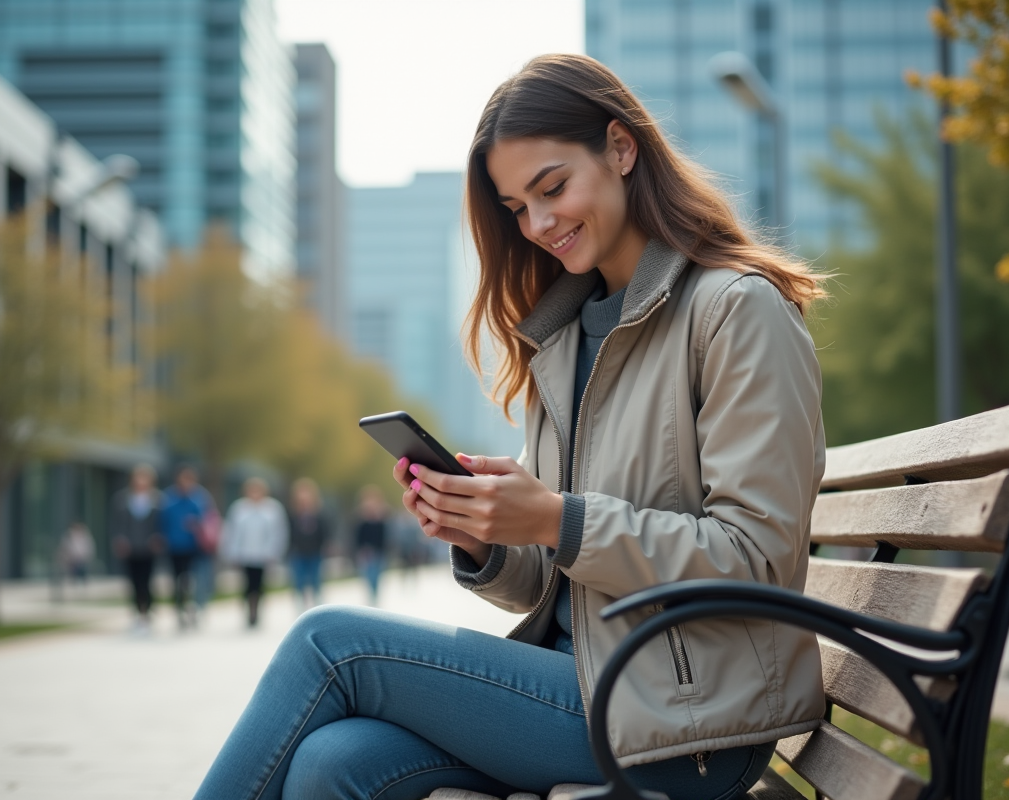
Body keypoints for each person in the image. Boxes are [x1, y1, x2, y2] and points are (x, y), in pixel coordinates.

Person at [195, 54, 827, 800]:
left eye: (552, 187)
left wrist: (559, 520)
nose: (538, 223)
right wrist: (484, 536)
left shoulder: (734, 310)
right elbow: (558, 579)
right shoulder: (565, 340)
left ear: (622, 149)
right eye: (517, 207)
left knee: (327, 644)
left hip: (687, 725)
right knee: (332, 763)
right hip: (583, 685)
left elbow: (756, 557)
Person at [219, 477, 289, 628]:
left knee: (259, 584)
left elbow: (278, 532)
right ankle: (248, 610)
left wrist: (275, 552)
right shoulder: (239, 508)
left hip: (264, 555)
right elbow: (232, 532)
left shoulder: (273, 509)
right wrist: (231, 552)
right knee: (247, 584)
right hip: (245, 554)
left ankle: (256, 610)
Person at [111, 463, 164, 633]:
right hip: (130, 547)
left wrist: (158, 539)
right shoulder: (122, 499)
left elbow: (162, 524)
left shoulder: (157, 500)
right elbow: (116, 524)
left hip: (149, 548)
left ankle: (147, 611)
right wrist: (119, 540)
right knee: (133, 581)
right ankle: (136, 611)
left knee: (147, 580)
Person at [161, 465, 215, 630]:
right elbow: (163, 521)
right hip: (175, 547)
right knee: (178, 581)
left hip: (195, 547)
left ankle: (197, 609)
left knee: (196, 580)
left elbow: (208, 519)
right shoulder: (169, 498)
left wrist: (196, 525)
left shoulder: (200, 497)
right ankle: (180, 609)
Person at [287, 477, 330, 610]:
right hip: (298, 552)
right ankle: (301, 604)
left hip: (315, 551)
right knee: (298, 580)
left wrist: (325, 546)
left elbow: (324, 532)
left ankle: (318, 605)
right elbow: (289, 534)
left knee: (316, 579)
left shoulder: (319, 515)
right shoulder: (293, 516)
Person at [353, 485, 388, 605]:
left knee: (377, 577)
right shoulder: (362, 522)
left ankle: (375, 597)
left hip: (378, 553)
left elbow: (384, 538)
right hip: (366, 554)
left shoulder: (381, 521)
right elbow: (358, 538)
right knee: (368, 576)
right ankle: (371, 597)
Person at [58, 521, 94, 588]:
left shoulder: (85, 536)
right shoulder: (68, 536)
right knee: (73, 568)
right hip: (72, 559)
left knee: (82, 567)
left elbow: (88, 548)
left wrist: (83, 556)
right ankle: (74, 582)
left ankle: (83, 583)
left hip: (82, 558)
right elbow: (65, 548)